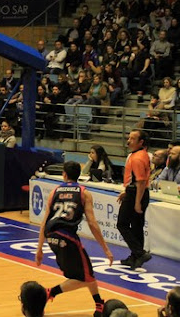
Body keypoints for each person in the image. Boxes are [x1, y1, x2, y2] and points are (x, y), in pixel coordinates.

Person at [36, 161, 113, 317]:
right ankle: (50, 292)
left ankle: (98, 303)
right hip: (67, 236)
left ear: (64, 174)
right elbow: (92, 223)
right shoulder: (84, 193)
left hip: (51, 236)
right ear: (79, 175)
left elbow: (44, 222)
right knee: (86, 276)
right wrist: (105, 249)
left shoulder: (54, 191)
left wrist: (39, 249)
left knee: (86, 273)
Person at [117, 129, 152, 270]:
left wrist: (137, 201)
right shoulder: (139, 154)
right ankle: (135, 257)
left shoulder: (137, 157)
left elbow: (141, 182)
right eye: (129, 137)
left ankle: (140, 253)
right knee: (137, 226)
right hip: (134, 192)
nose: (128, 141)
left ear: (141, 142)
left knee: (122, 224)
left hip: (136, 193)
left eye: (132, 139)